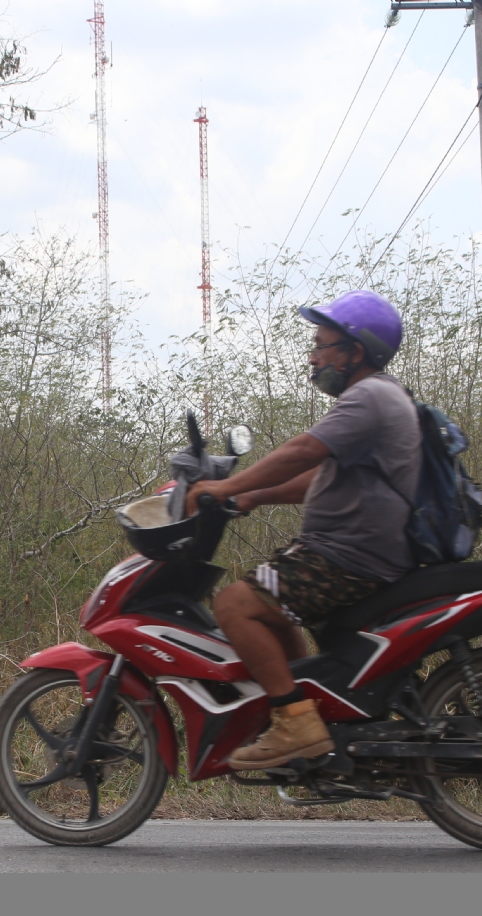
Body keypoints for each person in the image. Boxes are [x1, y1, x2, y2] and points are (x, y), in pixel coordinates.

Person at [185, 289, 420, 769]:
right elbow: (323, 477)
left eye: (322, 345)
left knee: (235, 605)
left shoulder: (368, 396)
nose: (313, 357)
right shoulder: (384, 395)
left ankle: (295, 724)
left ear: (355, 352)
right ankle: (305, 721)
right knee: (272, 611)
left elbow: (303, 453)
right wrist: (254, 495)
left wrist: (224, 489)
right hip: (356, 550)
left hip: (347, 556)